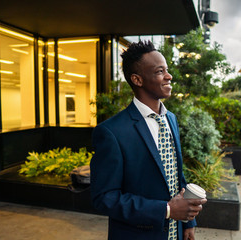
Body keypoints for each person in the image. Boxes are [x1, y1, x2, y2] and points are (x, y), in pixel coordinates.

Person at [90, 40, 207, 240]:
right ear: (137, 79)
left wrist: (188, 222)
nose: (169, 76)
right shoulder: (111, 132)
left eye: (167, 70)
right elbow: (105, 198)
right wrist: (167, 210)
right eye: (160, 71)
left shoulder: (171, 119)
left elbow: (176, 175)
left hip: (175, 232)